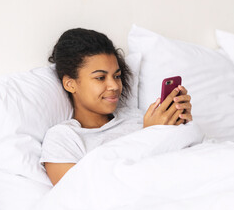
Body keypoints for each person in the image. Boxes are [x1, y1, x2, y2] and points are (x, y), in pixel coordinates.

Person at [40, 28, 193, 186]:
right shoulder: (64, 138)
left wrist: (182, 127)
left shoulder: (138, 117)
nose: (114, 85)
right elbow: (78, 195)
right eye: (100, 78)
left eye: (117, 76)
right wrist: (149, 136)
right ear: (70, 84)